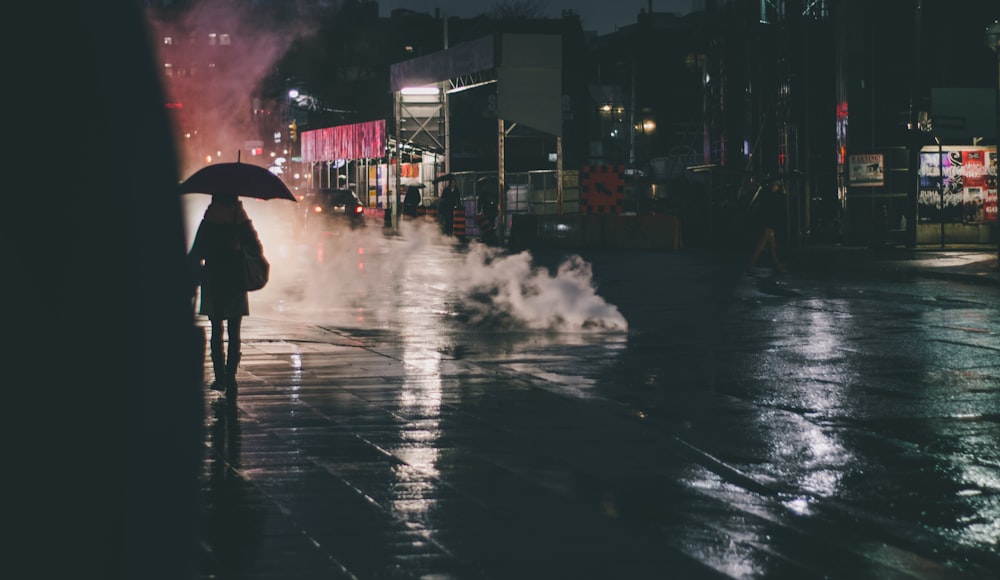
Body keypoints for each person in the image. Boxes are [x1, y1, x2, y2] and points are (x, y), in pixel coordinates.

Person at [188, 192, 265, 400]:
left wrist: (193, 280)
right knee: (234, 331)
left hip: (213, 279)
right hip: (235, 278)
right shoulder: (240, 220)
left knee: (216, 330)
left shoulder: (208, 221)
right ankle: (231, 376)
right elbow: (256, 248)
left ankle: (219, 376)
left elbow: (196, 253)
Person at [745, 177, 786, 273]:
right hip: (768, 224)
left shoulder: (766, 194)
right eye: (777, 186)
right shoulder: (771, 196)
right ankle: (750, 265)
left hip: (767, 224)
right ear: (774, 186)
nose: (777, 188)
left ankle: (777, 264)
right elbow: (776, 206)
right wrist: (784, 194)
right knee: (761, 245)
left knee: (772, 246)